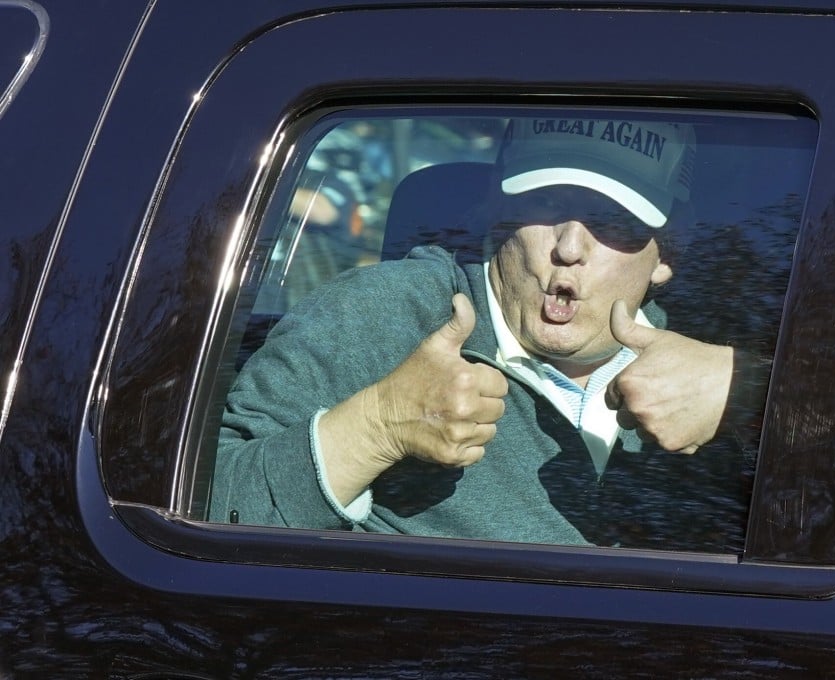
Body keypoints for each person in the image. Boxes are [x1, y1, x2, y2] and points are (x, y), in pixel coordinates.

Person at [212, 116, 762, 550]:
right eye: (546, 203)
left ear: (669, 252)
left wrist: (751, 396)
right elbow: (201, 508)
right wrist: (375, 426)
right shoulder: (385, 315)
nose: (569, 248)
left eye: (611, 218)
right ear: (494, 210)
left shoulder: (725, 342)